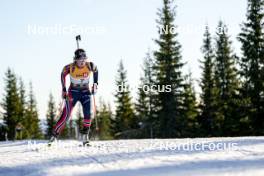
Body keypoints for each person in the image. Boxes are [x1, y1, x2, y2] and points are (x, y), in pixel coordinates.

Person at [49, 48, 98, 142]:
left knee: (87, 113)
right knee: (66, 114)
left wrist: (95, 84)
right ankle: (54, 135)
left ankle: (85, 136)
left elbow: (96, 71)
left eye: (84, 59)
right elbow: (63, 75)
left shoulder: (90, 65)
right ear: (75, 59)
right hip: (73, 92)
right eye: (80, 60)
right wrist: (63, 89)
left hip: (85, 91)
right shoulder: (70, 67)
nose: (82, 62)